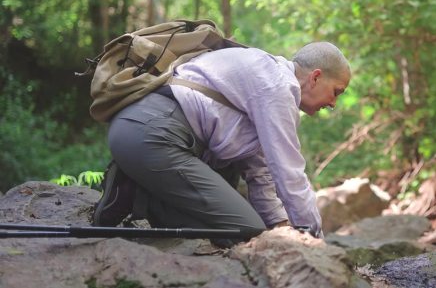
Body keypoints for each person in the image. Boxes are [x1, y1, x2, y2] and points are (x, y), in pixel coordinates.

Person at [92, 41, 351, 242]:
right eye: (336, 92)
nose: (333, 103)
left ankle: (139, 187)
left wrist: (282, 228)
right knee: (246, 230)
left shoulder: (265, 80)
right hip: (152, 133)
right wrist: (314, 241)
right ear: (315, 77)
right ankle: (138, 196)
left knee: (236, 186)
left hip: (141, 131)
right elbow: (290, 176)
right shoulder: (278, 87)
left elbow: (262, 176)